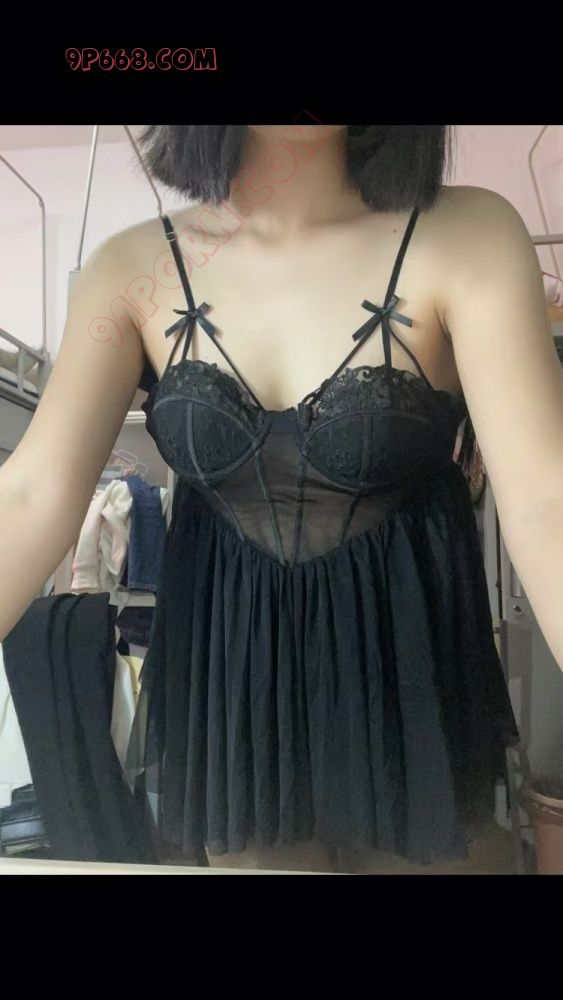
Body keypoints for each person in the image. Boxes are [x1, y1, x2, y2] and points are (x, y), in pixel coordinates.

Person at [1, 125, 562, 874]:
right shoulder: (132, 266)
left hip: (405, 689)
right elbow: (31, 493)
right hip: (235, 699)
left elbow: (545, 501)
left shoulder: (467, 233)